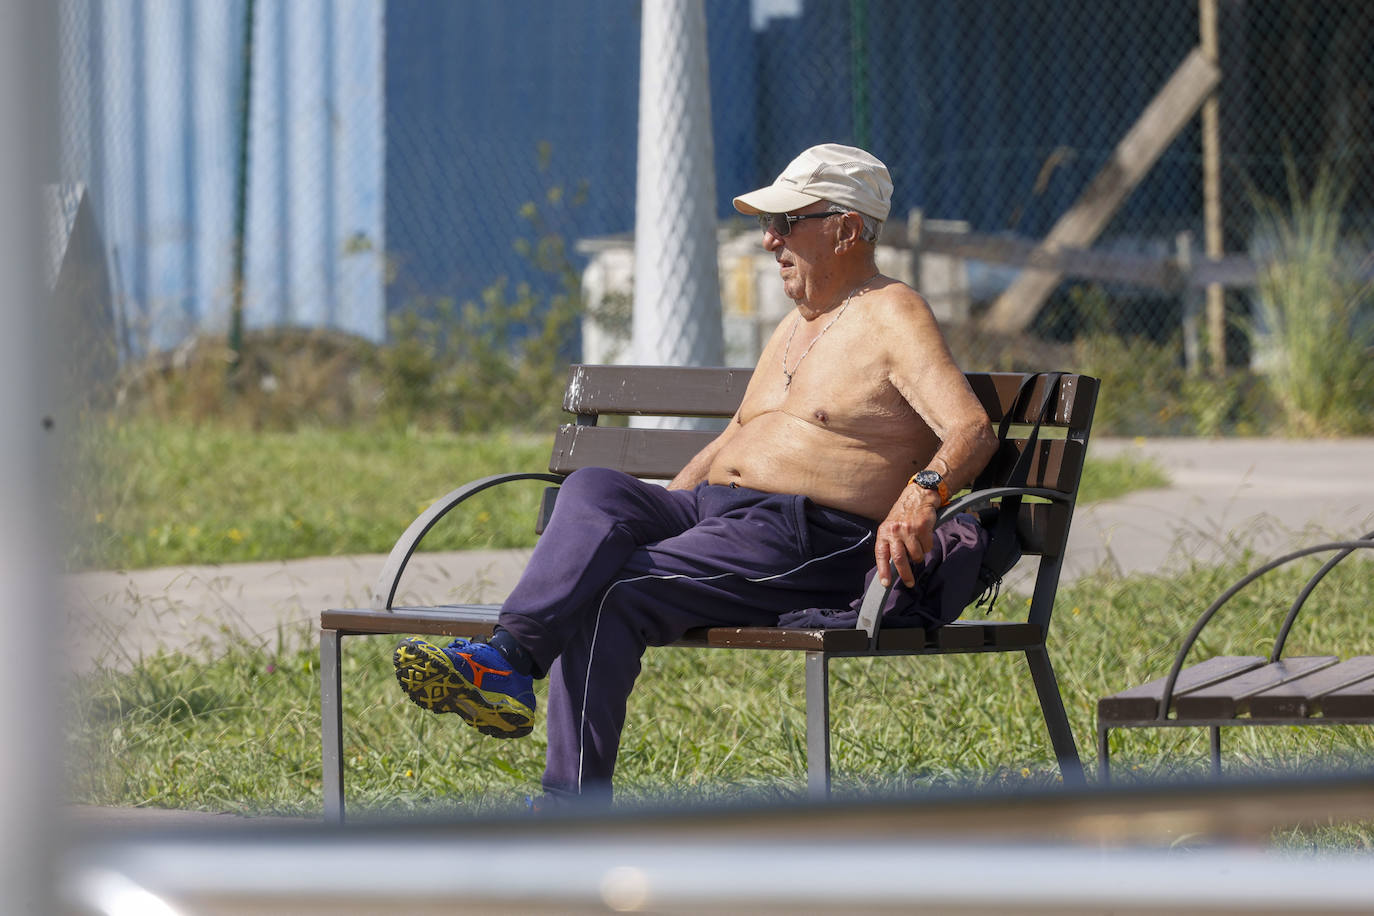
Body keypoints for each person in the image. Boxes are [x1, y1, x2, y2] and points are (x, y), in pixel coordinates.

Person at [392, 143, 999, 805]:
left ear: (847, 228)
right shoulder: (797, 326)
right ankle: (507, 657)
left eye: (787, 222)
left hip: (801, 536)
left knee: (617, 593)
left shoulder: (892, 312)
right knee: (593, 485)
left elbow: (972, 428)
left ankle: (566, 809)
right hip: (716, 513)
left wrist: (924, 494)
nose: (769, 240)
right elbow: (736, 436)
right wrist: (656, 515)